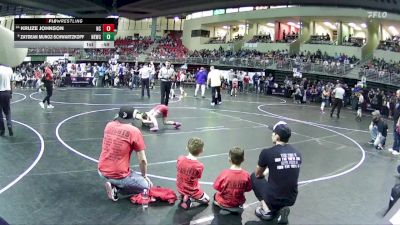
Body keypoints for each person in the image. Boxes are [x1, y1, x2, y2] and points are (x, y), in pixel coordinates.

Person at [98, 106, 152, 202]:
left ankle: (114, 183)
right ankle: (116, 188)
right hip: (117, 174)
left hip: (101, 170)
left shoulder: (109, 125)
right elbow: (142, 160)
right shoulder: (134, 131)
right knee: (147, 186)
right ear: (132, 118)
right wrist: (144, 176)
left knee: (129, 172)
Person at [251, 121, 302, 224]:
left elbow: (258, 174)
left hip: (274, 197)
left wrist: (267, 171)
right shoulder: (298, 153)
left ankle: (267, 210)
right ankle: (281, 208)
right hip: (291, 198)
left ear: (277, 136)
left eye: (273, 132)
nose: (271, 134)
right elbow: (287, 170)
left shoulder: (267, 152)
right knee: (280, 183)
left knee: (253, 177)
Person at [213, 147, 252, 215]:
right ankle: (234, 207)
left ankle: (223, 206)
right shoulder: (246, 175)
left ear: (229, 159)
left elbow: (217, 187)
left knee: (215, 196)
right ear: (243, 159)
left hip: (224, 202)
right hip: (238, 202)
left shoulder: (224, 173)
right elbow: (248, 189)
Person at [176, 137, 210, 209]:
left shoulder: (180, 158)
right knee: (207, 200)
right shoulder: (199, 166)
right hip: (191, 191)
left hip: (180, 187)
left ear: (187, 148)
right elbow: (197, 177)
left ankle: (184, 195)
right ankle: (190, 198)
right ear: (201, 151)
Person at [0, 64, 13, 136]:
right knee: (7, 111)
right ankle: (9, 125)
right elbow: (12, 82)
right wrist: (11, 93)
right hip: (7, 92)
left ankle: (2, 130)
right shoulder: (9, 69)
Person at [389, 90, 400, 155]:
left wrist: (399, 122)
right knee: (395, 135)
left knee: (398, 136)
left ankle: (397, 150)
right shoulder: (398, 101)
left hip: (399, 121)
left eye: (398, 94)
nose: (396, 95)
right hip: (395, 120)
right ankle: (394, 148)